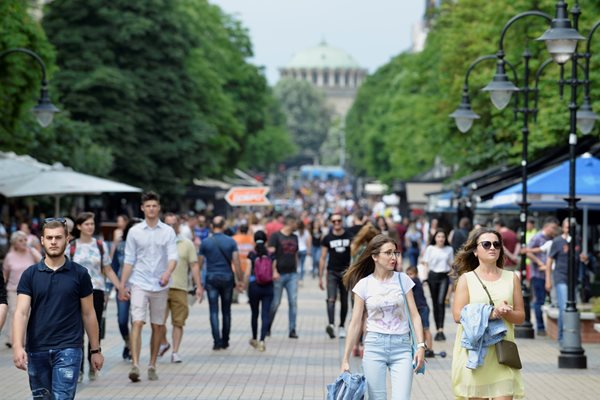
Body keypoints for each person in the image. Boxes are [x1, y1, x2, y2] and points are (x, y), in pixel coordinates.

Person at [13, 218, 104, 398]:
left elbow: (88, 313)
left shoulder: (80, 274)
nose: (53, 242)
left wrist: (95, 350)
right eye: (49, 238)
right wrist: (17, 346)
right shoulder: (30, 275)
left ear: (67, 239)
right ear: (42, 240)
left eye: (58, 237)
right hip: (37, 348)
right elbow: (21, 313)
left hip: (69, 348)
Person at [341, 234, 426, 400]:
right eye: (388, 253)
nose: (393, 257)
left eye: (395, 253)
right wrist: (345, 358)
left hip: (401, 347)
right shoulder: (363, 285)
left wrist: (421, 345)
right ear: (375, 256)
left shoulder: (403, 280)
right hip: (374, 346)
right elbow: (355, 323)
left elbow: (415, 316)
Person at [451, 227, 525, 399]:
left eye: (496, 244)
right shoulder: (466, 279)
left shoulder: (511, 278)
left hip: (502, 353)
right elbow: (457, 315)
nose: (492, 248)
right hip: (475, 354)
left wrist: (505, 313)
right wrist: (492, 313)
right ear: (476, 251)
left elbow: (520, 317)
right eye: (486, 244)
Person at [119, 191, 178, 382]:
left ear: (159, 208)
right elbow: (129, 259)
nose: (151, 209)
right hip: (139, 282)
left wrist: (167, 273)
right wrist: (122, 285)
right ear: (142, 208)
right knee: (137, 321)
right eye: (148, 206)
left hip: (160, 284)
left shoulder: (168, 231)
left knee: (158, 325)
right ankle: (135, 364)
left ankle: (152, 364)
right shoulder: (135, 231)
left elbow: (173, 257)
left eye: (154, 205)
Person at [69, 212, 122, 382]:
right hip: (74, 292)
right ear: (79, 227)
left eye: (92, 224)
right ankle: (79, 368)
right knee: (76, 330)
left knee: (94, 328)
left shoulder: (100, 245)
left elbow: (107, 269)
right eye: (86, 224)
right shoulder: (71, 246)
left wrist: (120, 286)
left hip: (96, 291)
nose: (90, 227)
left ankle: (93, 362)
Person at [158, 213, 202, 363]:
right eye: (167, 224)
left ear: (178, 225)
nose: (171, 227)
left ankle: (175, 351)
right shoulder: (157, 242)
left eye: (173, 224)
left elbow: (194, 265)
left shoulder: (186, 243)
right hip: (160, 287)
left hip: (180, 287)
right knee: (158, 322)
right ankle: (164, 343)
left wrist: (198, 286)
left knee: (178, 321)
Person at [198, 216, 244, 350]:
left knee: (213, 310)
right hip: (227, 278)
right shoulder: (231, 242)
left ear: (212, 226)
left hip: (211, 278)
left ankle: (216, 341)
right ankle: (225, 340)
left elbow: (199, 263)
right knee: (226, 311)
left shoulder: (205, 242)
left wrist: (198, 282)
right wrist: (240, 280)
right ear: (224, 226)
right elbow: (236, 262)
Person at [2, 231, 42, 348]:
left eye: (25, 240)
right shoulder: (9, 256)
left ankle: (25, 338)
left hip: (31, 289)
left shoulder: (31, 253)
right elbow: (5, 273)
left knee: (29, 314)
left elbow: (42, 261)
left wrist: (33, 250)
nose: (24, 242)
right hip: (13, 289)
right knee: (15, 313)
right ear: (14, 243)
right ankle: (13, 339)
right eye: (20, 240)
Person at [319, 212, 353, 339]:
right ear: (331, 223)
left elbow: (354, 254)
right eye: (334, 221)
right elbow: (322, 257)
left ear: (342, 221)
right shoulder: (327, 238)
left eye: (339, 220)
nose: (337, 223)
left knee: (344, 301)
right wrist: (320, 276)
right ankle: (331, 324)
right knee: (331, 299)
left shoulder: (349, 236)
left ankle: (342, 326)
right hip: (332, 272)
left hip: (345, 273)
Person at [524, 216, 559, 336]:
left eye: (556, 228)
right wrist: (539, 263)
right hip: (538, 274)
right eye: (553, 228)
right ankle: (540, 327)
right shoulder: (538, 237)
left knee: (548, 301)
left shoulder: (552, 239)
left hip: (549, 274)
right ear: (546, 226)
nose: (554, 230)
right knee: (539, 300)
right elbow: (527, 251)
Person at [113, 218, 141, 361]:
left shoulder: (145, 246)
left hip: (139, 287)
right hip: (122, 287)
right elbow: (113, 267)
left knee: (136, 320)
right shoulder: (121, 246)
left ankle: (134, 350)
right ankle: (128, 342)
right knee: (122, 320)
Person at [268, 214, 300, 338]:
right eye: (295, 223)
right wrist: (273, 271)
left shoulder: (295, 237)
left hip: (292, 274)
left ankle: (292, 330)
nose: (297, 226)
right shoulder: (275, 236)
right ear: (290, 223)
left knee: (293, 302)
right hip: (279, 274)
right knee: (275, 303)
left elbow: (295, 254)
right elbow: (271, 256)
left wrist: (297, 271)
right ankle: (268, 326)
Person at [245, 231, 277, 352]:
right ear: (266, 241)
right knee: (265, 314)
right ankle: (262, 340)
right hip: (268, 287)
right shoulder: (271, 255)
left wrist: (243, 284)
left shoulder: (252, 255)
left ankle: (254, 338)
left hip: (254, 286)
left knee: (254, 314)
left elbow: (248, 272)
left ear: (254, 240)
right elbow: (273, 272)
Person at [422, 229, 454, 341]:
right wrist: (425, 278)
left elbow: (451, 264)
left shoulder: (449, 249)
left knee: (441, 302)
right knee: (435, 304)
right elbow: (425, 263)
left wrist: (455, 276)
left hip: (444, 277)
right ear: (435, 238)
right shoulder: (430, 249)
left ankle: (441, 329)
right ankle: (437, 329)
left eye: (443, 237)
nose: (441, 239)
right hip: (432, 277)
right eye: (439, 236)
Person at [405, 266, 434, 358]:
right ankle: (423, 347)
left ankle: (430, 349)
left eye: (411, 274)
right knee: (419, 329)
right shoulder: (412, 282)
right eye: (408, 274)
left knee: (426, 329)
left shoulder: (415, 281)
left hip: (423, 308)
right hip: (418, 308)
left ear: (416, 274)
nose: (409, 276)